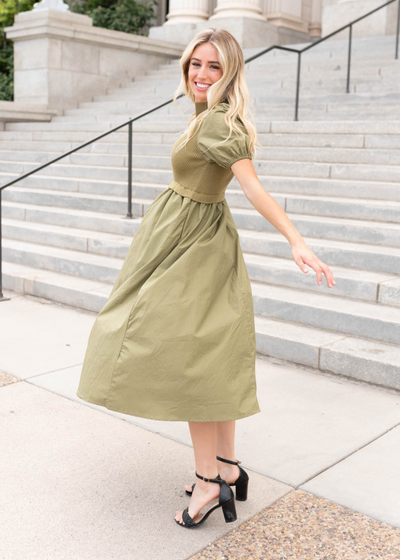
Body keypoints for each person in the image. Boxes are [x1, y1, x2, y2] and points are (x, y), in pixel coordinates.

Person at [76, 28, 335, 529]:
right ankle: (229, 467)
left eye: (214, 66)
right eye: (196, 63)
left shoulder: (218, 123)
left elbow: (253, 188)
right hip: (190, 238)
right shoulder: (208, 116)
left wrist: (296, 240)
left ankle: (208, 482)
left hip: (193, 246)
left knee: (189, 359)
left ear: (231, 71)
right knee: (211, 357)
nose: (201, 74)